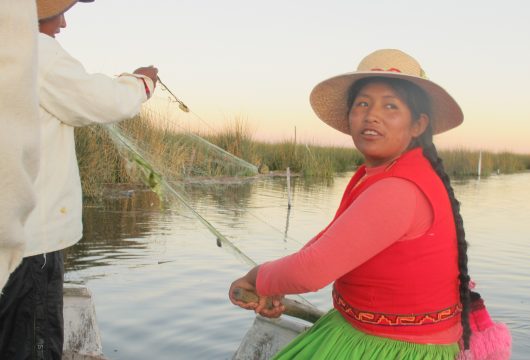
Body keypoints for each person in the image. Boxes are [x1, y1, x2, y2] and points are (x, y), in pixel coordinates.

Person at [229, 49, 473, 359]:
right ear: (349, 117)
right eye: (363, 104)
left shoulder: (398, 189)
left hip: (396, 348)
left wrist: (257, 277)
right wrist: (277, 284)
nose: (373, 114)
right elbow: (330, 241)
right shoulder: (375, 175)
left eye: (391, 106)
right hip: (367, 329)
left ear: (418, 124)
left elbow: (313, 270)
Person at [0, 0, 159, 358]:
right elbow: (104, 101)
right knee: (33, 348)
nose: (64, 23)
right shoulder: (35, 50)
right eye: (57, 10)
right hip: (31, 245)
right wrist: (142, 81)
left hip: (7, 239)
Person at [0, 0, 40, 293]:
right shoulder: (46, 57)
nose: (64, 24)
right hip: (37, 245)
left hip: (26, 242)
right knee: (37, 339)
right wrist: (140, 83)